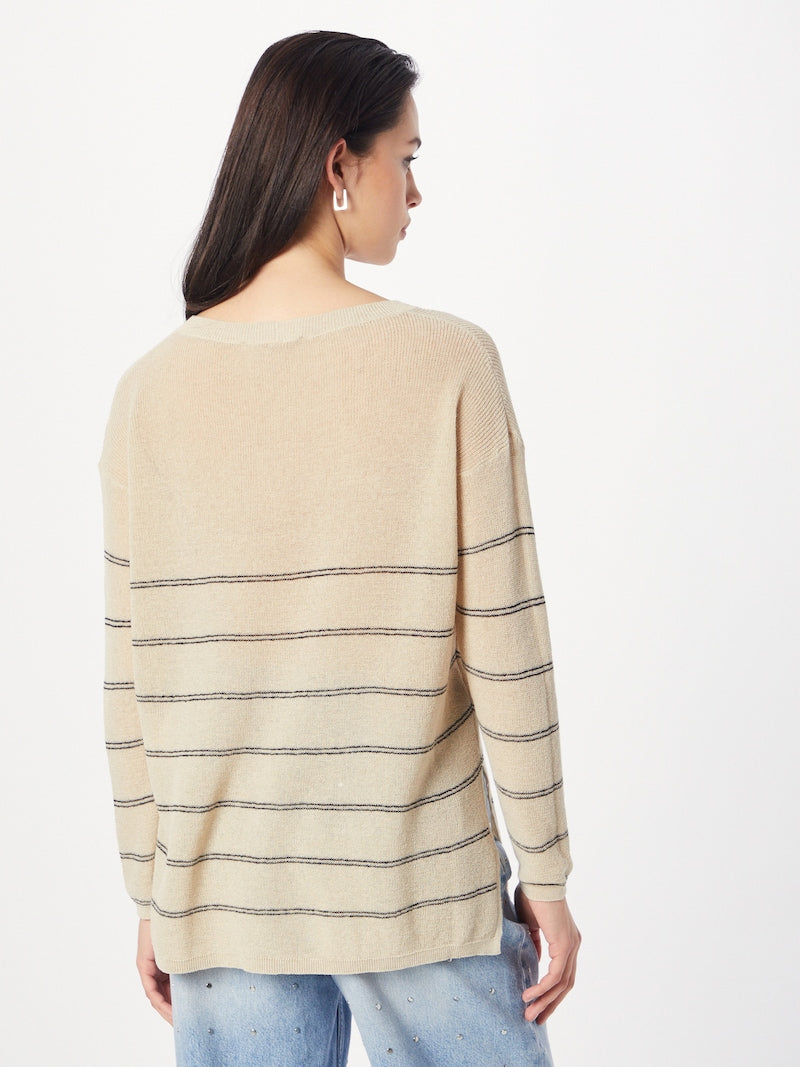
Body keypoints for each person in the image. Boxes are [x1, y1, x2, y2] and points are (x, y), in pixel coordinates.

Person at [98, 29, 581, 1066]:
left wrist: (153, 891)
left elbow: (132, 679)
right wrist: (545, 871)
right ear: (338, 164)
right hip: (418, 889)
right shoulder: (447, 362)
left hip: (223, 901)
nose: (415, 191)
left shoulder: (149, 392)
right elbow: (507, 644)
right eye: (406, 157)